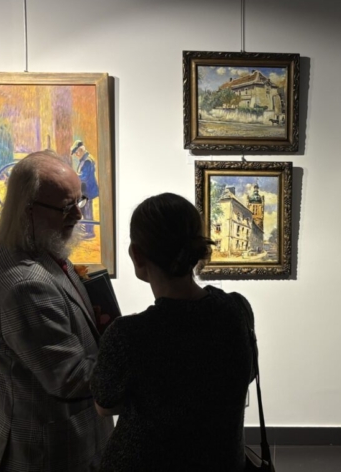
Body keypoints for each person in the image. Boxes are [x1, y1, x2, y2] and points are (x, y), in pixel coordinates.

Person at [91, 193, 256, 472]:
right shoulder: (237, 309)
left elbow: (104, 404)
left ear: (136, 255)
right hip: (222, 461)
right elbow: (244, 375)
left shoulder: (128, 334)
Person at [0, 150, 114, 472]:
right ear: (28, 210)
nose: (78, 215)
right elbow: (70, 379)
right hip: (47, 448)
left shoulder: (24, 246)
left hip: (43, 432)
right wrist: (133, 355)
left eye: (79, 201)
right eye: (66, 207)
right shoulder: (26, 284)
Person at [71, 140, 99, 239]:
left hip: (88, 190)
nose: (76, 154)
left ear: (81, 150)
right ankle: (86, 228)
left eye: (76, 152)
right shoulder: (84, 159)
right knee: (82, 208)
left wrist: (74, 176)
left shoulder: (87, 160)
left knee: (87, 210)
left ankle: (89, 232)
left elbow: (84, 176)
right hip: (85, 190)